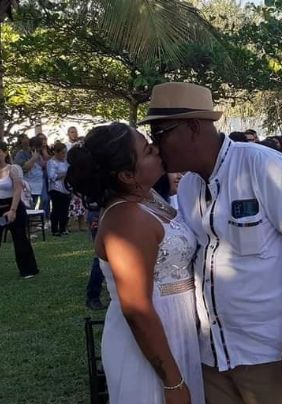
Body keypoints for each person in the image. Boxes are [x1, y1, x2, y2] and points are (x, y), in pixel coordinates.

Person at [141, 82, 282, 403]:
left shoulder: (262, 165)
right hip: (213, 354)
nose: (156, 146)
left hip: (270, 351)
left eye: (160, 134)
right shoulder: (188, 188)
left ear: (193, 127)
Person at [66, 122, 203, 403]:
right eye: (147, 149)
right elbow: (137, 309)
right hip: (152, 343)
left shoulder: (148, 197)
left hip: (179, 328)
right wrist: (173, 382)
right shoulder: (126, 218)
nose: (156, 148)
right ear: (128, 175)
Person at [0, 141, 39, 279]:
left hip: (13, 205)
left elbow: (17, 189)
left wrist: (13, 210)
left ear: (4, 152)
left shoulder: (13, 169)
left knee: (19, 237)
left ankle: (28, 269)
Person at [14, 136, 46, 209]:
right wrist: (33, 158)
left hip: (38, 185)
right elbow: (23, 169)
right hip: (27, 186)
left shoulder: (39, 153)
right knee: (28, 208)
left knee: (41, 202)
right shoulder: (21, 154)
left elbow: (44, 166)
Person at [47, 142, 71, 236]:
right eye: (62, 153)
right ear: (56, 153)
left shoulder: (66, 162)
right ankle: (54, 229)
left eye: (65, 153)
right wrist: (64, 174)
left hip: (66, 188)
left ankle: (63, 228)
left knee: (65, 210)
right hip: (56, 189)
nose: (64, 155)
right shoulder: (51, 162)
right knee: (57, 209)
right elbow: (51, 176)